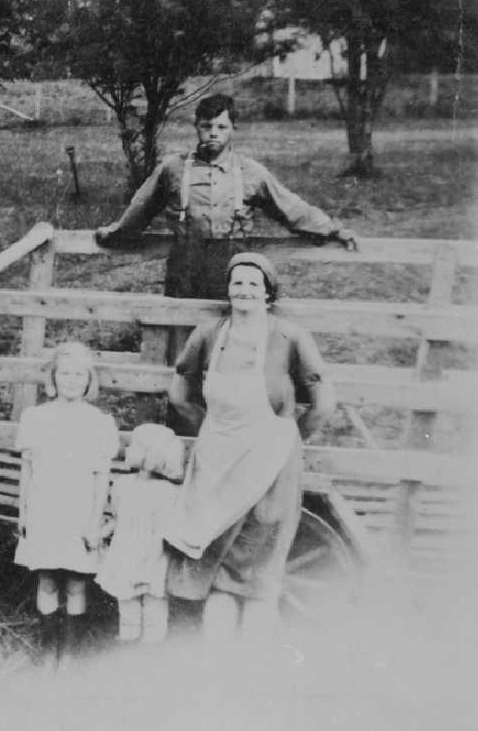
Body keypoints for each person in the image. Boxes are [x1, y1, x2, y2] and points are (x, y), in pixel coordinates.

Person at [163, 252, 337, 643]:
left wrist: (286, 440)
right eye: (237, 282)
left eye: (253, 284)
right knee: (218, 565)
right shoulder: (208, 334)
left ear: (268, 294)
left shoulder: (290, 337)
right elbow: (180, 392)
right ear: (228, 289)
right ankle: (217, 670)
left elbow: (324, 401)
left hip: (271, 466)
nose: (244, 290)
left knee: (259, 566)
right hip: (218, 461)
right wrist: (211, 429)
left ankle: (252, 671)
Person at [94, 94, 359, 300]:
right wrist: (113, 234)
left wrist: (333, 229)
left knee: (226, 335)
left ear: (233, 129)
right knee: (181, 336)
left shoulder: (250, 172)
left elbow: (291, 207)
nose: (213, 133)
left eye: (222, 126)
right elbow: (140, 208)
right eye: (206, 126)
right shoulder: (172, 168)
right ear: (196, 127)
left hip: (233, 267)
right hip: (186, 265)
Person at [14, 342, 119, 669]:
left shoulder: (99, 422)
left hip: (79, 511)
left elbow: (102, 476)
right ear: (53, 378)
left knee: (75, 581)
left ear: (88, 380)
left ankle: (70, 653)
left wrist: (93, 522)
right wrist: (24, 511)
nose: (71, 380)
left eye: (78, 374)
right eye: (65, 373)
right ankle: (48, 649)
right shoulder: (36, 417)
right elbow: (27, 469)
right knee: (46, 578)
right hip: (46, 508)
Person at [94, 423, 184, 644]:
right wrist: (101, 532)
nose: (128, 449)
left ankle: (151, 646)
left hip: (154, 554)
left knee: (154, 602)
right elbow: (118, 518)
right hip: (126, 552)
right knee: (127, 601)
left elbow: (170, 527)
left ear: (149, 454)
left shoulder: (169, 493)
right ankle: (128, 639)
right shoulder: (122, 485)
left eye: (134, 445)